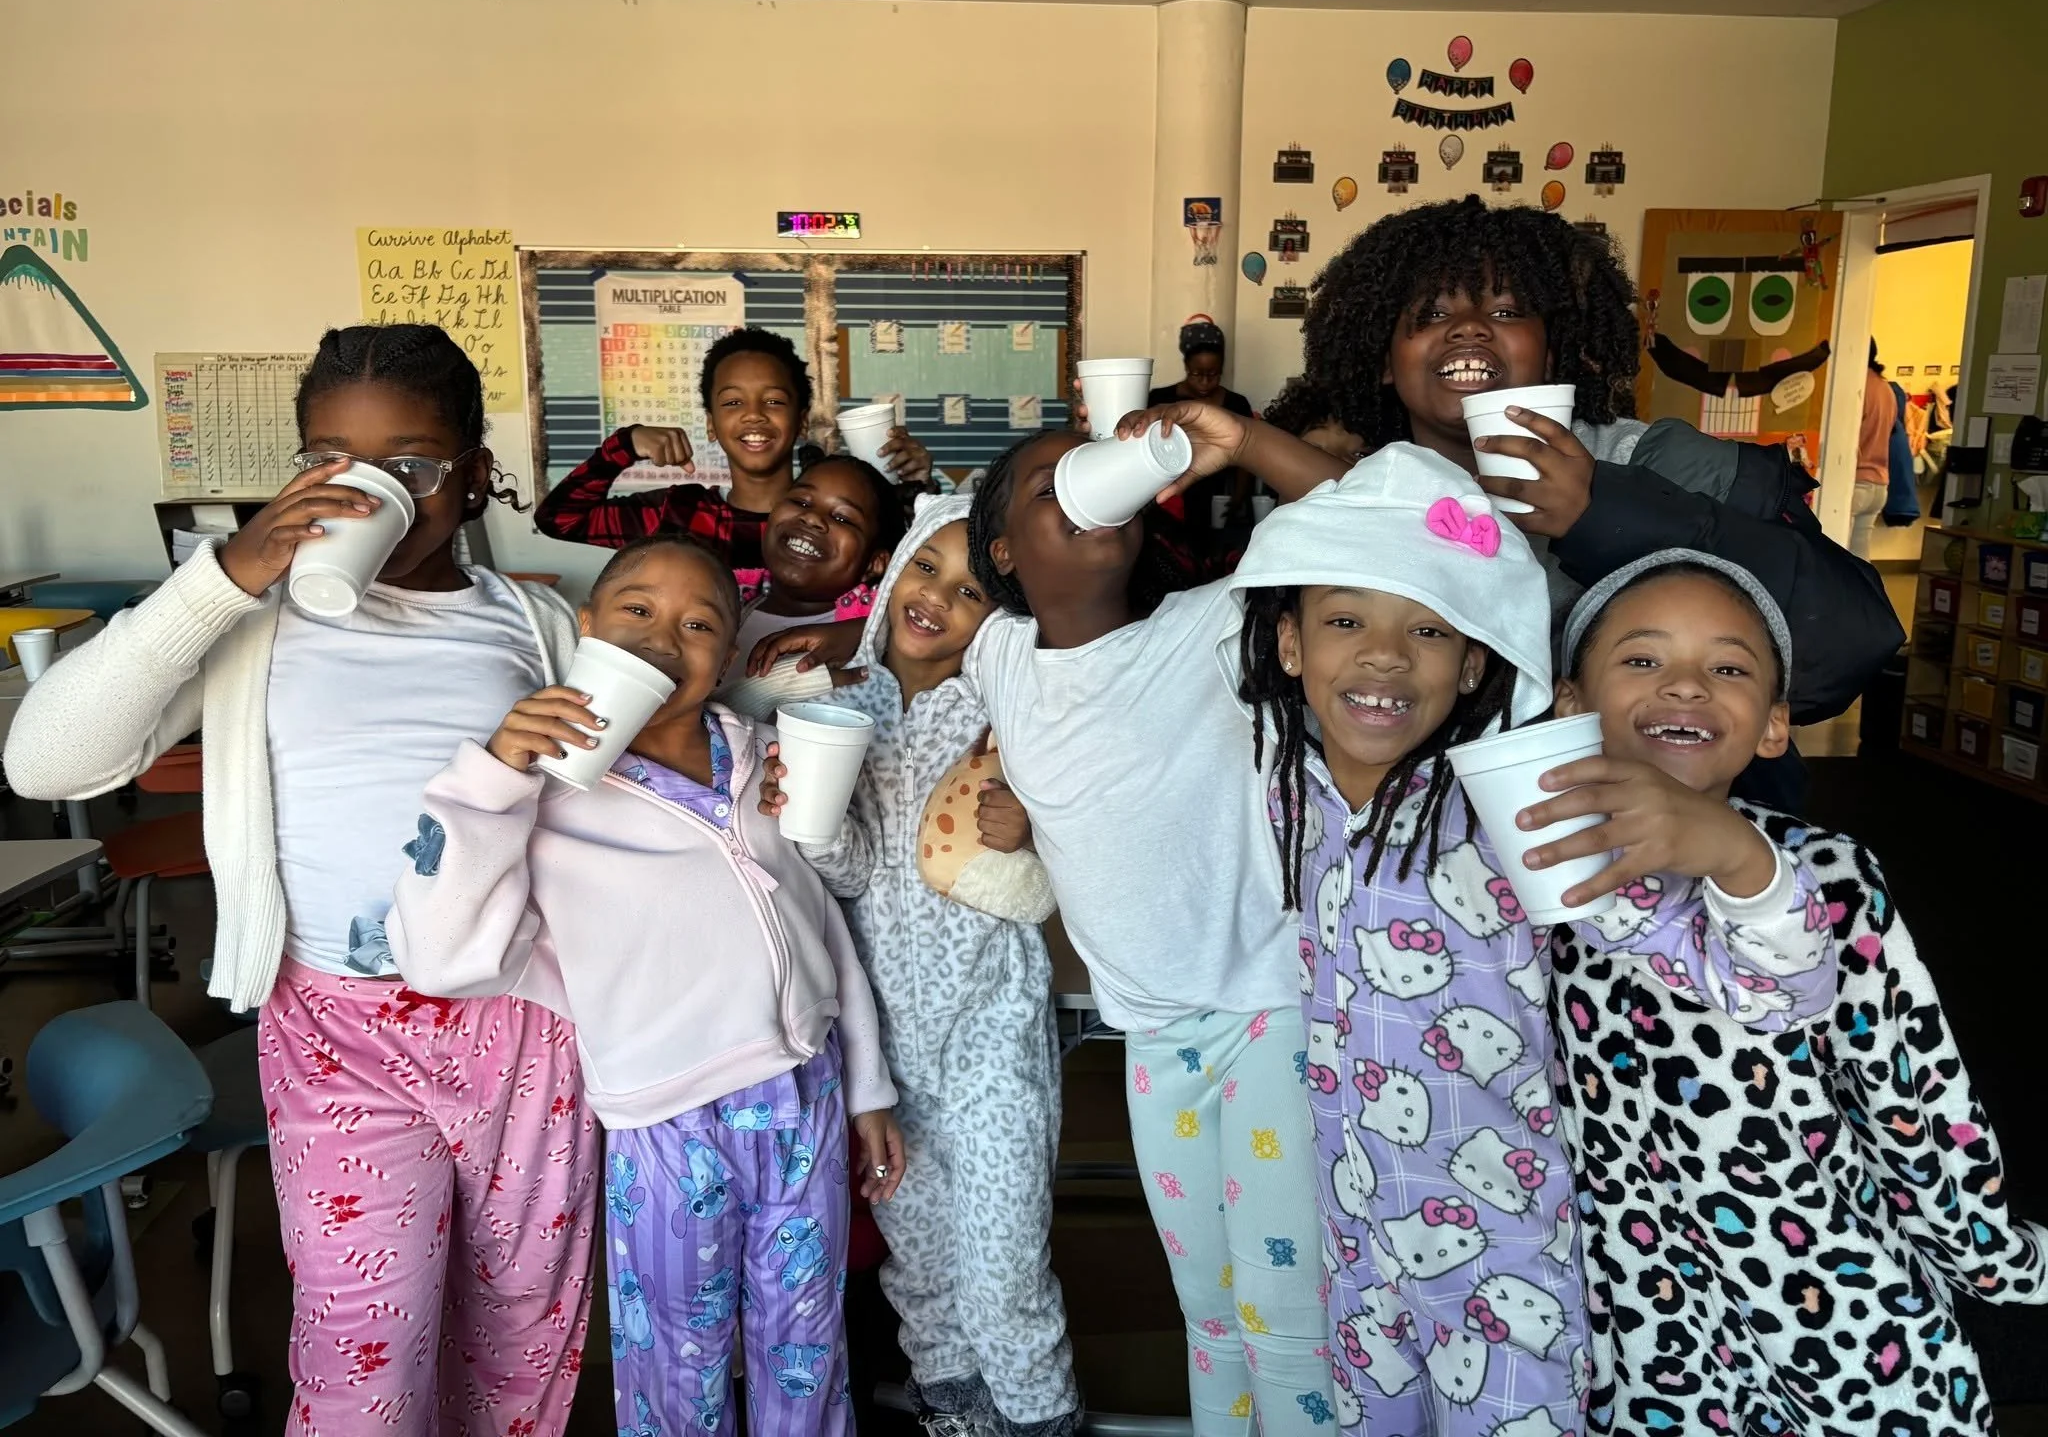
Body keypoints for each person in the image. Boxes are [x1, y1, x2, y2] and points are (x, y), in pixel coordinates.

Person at [4, 324, 600, 1436]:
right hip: (337, 1031)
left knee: (522, 1331)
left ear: (475, 476)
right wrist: (219, 580)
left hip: (523, 1027)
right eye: (331, 460)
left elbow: (621, 807)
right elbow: (46, 762)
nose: (370, 489)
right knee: (360, 1353)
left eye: (412, 466)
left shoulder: (535, 624)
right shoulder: (249, 624)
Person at [1230, 446, 1828, 1436]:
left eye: (1427, 627)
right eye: (1344, 621)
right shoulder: (1289, 777)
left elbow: (1776, 990)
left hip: (1505, 1270)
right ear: (1290, 645)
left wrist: (1733, 855)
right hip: (1355, 1247)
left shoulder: (1511, 812)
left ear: (1472, 662)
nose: (1382, 655)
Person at [384, 534, 906, 1437]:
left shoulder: (765, 761)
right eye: (637, 610)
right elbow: (438, 954)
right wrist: (497, 778)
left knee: (808, 1346)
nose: (666, 635)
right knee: (679, 1359)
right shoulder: (538, 790)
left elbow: (822, 930)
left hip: (805, 1099)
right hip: (669, 1123)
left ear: (732, 655)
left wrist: (867, 1088)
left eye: (701, 622)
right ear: (585, 628)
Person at [1548, 549, 2048, 1435]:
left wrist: (1991, 1249)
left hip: (1820, 1274)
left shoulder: (1830, 874)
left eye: (1729, 668)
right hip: (1631, 1289)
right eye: (1642, 659)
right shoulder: (1533, 872)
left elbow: (1912, 1083)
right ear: (1571, 706)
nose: (1687, 685)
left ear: (1775, 726)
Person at [961, 402, 1353, 1437]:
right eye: (1049, 489)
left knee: (1286, 1318)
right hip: (1153, 1036)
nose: (1088, 489)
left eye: (1097, 470)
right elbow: (903, 613)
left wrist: (1237, 441)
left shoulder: (1213, 630)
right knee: (1208, 1317)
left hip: (1270, 1009)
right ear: (1001, 550)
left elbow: (1363, 518)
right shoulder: (999, 655)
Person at [1295, 197, 1904, 764]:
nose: (1470, 327)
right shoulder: (1356, 500)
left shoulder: (1659, 460)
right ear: (1383, 360)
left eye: (1506, 311)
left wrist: (1605, 513)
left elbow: (1852, 641)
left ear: (1553, 353)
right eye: (1431, 313)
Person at [758, 496, 1081, 1437]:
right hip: (881, 1050)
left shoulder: (1008, 706)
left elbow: (1081, 827)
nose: (937, 595)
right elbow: (852, 869)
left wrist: (1034, 822)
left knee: (1006, 1267)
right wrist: (803, 819)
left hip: (990, 1036)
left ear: (1004, 615)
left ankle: (1035, 1421)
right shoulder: (835, 703)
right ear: (894, 569)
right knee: (922, 1265)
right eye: (926, 568)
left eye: (973, 589)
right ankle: (958, 1419)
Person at [532, 326, 932, 596]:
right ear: (711, 424)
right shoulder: (678, 513)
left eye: (774, 401)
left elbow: (918, 572)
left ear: (801, 421)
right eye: (733, 402)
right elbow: (560, 519)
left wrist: (915, 490)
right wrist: (625, 445)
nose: (754, 415)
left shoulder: (840, 522)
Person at [716, 453, 909, 718]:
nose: (812, 519)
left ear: (874, 563)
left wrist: (867, 633)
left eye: (842, 518)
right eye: (800, 501)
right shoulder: (717, 601)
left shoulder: (874, 640)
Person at [1148, 320, 1259, 561]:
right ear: (1186, 365)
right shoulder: (1161, 399)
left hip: (1218, 497)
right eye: (1197, 374)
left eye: (1213, 374)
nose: (1205, 382)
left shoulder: (1236, 404)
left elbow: (1247, 457)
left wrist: (1238, 498)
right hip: (1168, 498)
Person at [1855, 340, 1902, 559]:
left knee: (1832, 560)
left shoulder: (1856, 386)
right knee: (1859, 558)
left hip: (1855, 482)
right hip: (1879, 483)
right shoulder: (1886, 389)